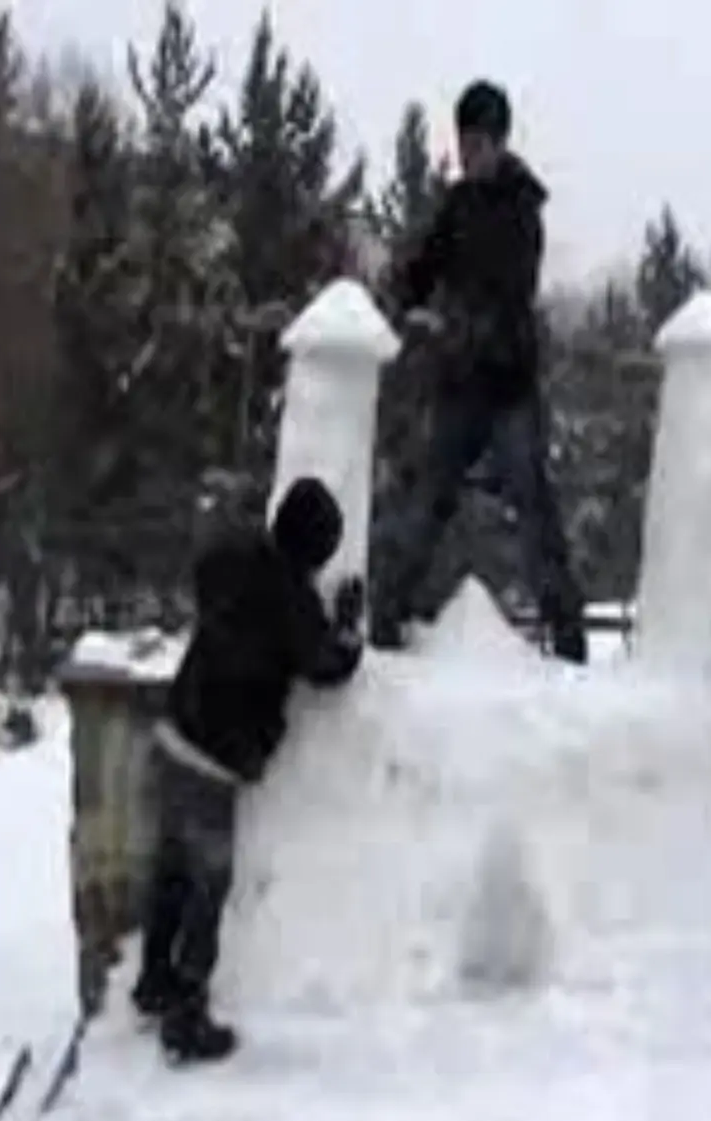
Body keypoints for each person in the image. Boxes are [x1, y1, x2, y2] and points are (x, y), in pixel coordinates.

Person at [130, 476, 364, 1063]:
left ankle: (153, 980)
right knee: (210, 884)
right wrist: (350, 626)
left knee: (173, 869)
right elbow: (328, 666)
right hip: (216, 757)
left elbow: (208, 565)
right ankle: (186, 1015)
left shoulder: (236, 558)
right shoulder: (292, 599)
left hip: (178, 727)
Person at [371, 79, 587, 663]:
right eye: (462, 145)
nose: (468, 156)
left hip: (509, 383)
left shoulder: (521, 210)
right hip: (461, 385)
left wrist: (458, 328)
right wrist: (401, 299)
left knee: (533, 508)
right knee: (427, 498)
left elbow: (511, 295)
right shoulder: (458, 205)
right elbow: (423, 266)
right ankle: (383, 620)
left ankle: (568, 638)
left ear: (498, 143)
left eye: (477, 145)